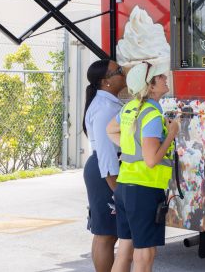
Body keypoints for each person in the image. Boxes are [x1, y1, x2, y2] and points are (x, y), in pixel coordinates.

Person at [107, 61, 179, 272]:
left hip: (125, 187)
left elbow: (110, 130)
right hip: (144, 189)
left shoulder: (129, 108)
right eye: (160, 76)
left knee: (124, 251)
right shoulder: (152, 115)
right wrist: (172, 133)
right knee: (145, 253)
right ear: (151, 87)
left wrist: (133, 148)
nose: (165, 78)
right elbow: (151, 160)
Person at [82, 59, 131, 272]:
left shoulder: (107, 103)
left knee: (105, 232)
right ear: (106, 82)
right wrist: (118, 190)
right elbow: (106, 153)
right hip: (106, 171)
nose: (123, 72)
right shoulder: (105, 108)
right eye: (117, 71)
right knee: (107, 234)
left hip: (103, 169)